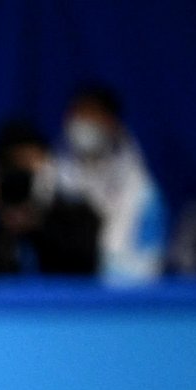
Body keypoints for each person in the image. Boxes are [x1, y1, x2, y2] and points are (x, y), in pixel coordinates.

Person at [0, 119, 100, 276]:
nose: (23, 176)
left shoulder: (77, 213)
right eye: (16, 167)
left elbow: (85, 267)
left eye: (32, 167)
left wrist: (37, 224)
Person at [54, 83, 168, 283]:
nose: (85, 122)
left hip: (118, 304)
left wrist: (98, 271)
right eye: (80, 114)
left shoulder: (143, 192)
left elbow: (150, 265)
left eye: (94, 114)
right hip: (60, 301)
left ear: (113, 122)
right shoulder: (53, 178)